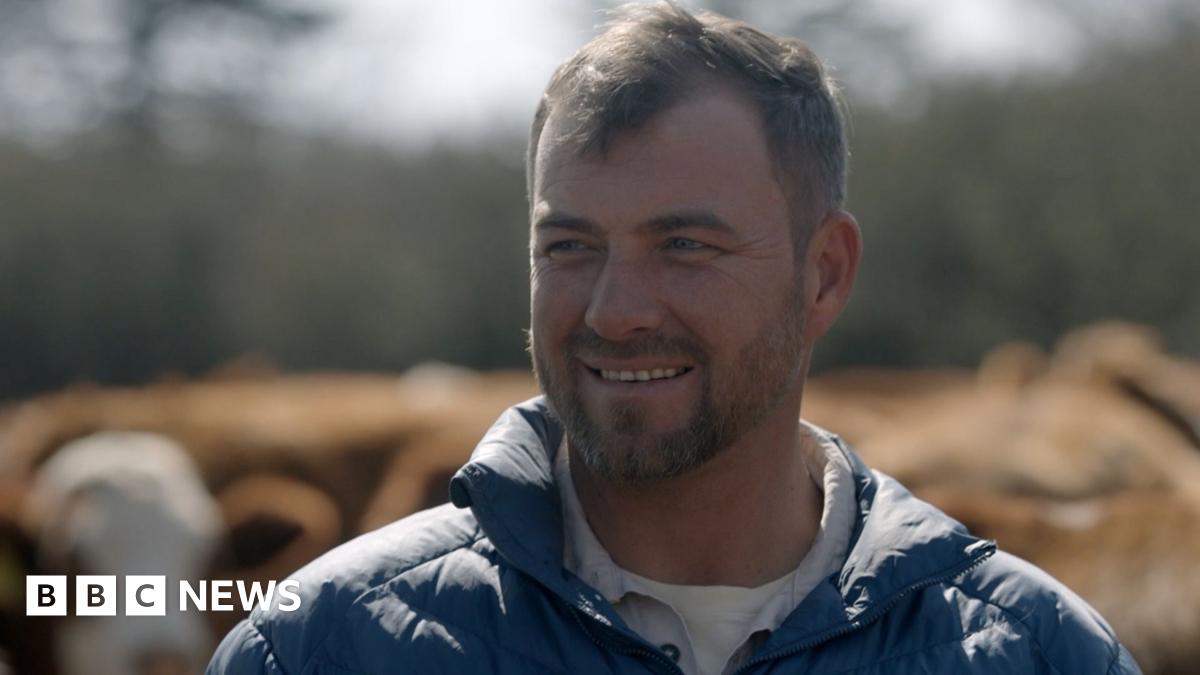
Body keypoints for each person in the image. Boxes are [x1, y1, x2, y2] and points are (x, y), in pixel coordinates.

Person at [208, 2, 1140, 673]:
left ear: (824, 273)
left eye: (685, 245)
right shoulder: (320, 647)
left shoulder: (1033, 651)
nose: (615, 311)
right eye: (570, 245)